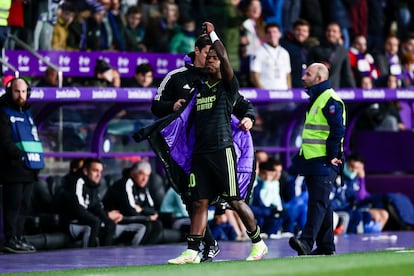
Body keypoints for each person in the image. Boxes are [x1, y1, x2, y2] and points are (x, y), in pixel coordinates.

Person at [168, 21, 267, 264]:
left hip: (222, 150)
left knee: (235, 200)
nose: (210, 60)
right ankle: (192, 251)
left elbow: (222, 53)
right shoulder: (200, 89)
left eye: (214, 57)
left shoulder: (228, 87)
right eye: (208, 57)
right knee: (198, 201)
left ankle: (258, 243)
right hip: (200, 153)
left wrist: (213, 34)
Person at [288, 62, 346, 256]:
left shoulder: (330, 100)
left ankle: (306, 241)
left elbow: (338, 130)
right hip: (313, 161)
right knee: (323, 203)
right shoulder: (318, 98)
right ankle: (326, 245)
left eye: (308, 74)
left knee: (317, 203)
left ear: (319, 78)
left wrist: (332, 156)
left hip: (324, 161)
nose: (303, 77)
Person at [0, 78, 45, 253]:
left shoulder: (27, 113)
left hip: (30, 168)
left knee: (24, 206)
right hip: (12, 168)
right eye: (17, 91)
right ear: (10, 91)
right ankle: (10, 239)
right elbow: (4, 141)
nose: (21, 95)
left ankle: (18, 237)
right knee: (13, 206)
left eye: (24, 91)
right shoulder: (2, 112)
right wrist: (19, 156)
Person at [57, 158, 145, 247]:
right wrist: (99, 219)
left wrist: (106, 218)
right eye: (95, 171)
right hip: (71, 223)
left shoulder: (93, 186)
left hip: (84, 221)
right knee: (94, 223)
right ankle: (88, 256)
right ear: (85, 171)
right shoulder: (77, 182)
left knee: (109, 224)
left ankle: (105, 255)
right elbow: (79, 209)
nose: (99, 175)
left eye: (100, 171)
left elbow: (97, 207)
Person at [102, 160, 164, 245]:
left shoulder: (143, 187)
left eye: (147, 175)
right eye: (141, 174)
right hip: (119, 219)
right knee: (147, 225)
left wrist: (141, 209)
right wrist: (146, 215)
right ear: (133, 173)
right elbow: (129, 210)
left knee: (157, 225)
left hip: (133, 216)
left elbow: (152, 209)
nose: (144, 179)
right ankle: (136, 253)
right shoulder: (126, 183)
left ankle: (147, 253)